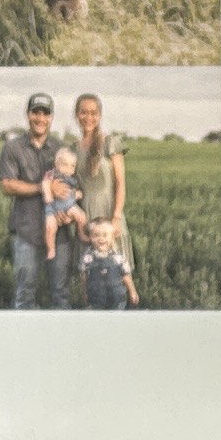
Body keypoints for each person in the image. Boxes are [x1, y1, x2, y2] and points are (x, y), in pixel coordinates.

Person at [0, 92, 72, 307]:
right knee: (25, 293)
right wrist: (43, 187)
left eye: (45, 114)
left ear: (51, 117)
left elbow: (72, 186)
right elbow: (7, 184)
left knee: (61, 293)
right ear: (28, 114)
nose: (40, 118)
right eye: (36, 112)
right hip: (26, 231)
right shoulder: (13, 147)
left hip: (59, 232)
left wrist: (68, 214)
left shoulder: (61, 149)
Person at [69, 91, 138, 307]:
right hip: (86, 215)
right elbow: (72, 188)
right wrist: (78, 222)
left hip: (110, 211)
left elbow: (120, 183)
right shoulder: (73, 148)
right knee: (91, 275)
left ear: (99, 115)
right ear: (77, 115)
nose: (88, 117)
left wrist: (116, 217)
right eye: (83, 112)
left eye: (93, 113)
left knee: (118, 272)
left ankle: (121, 311)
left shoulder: (111, 142)